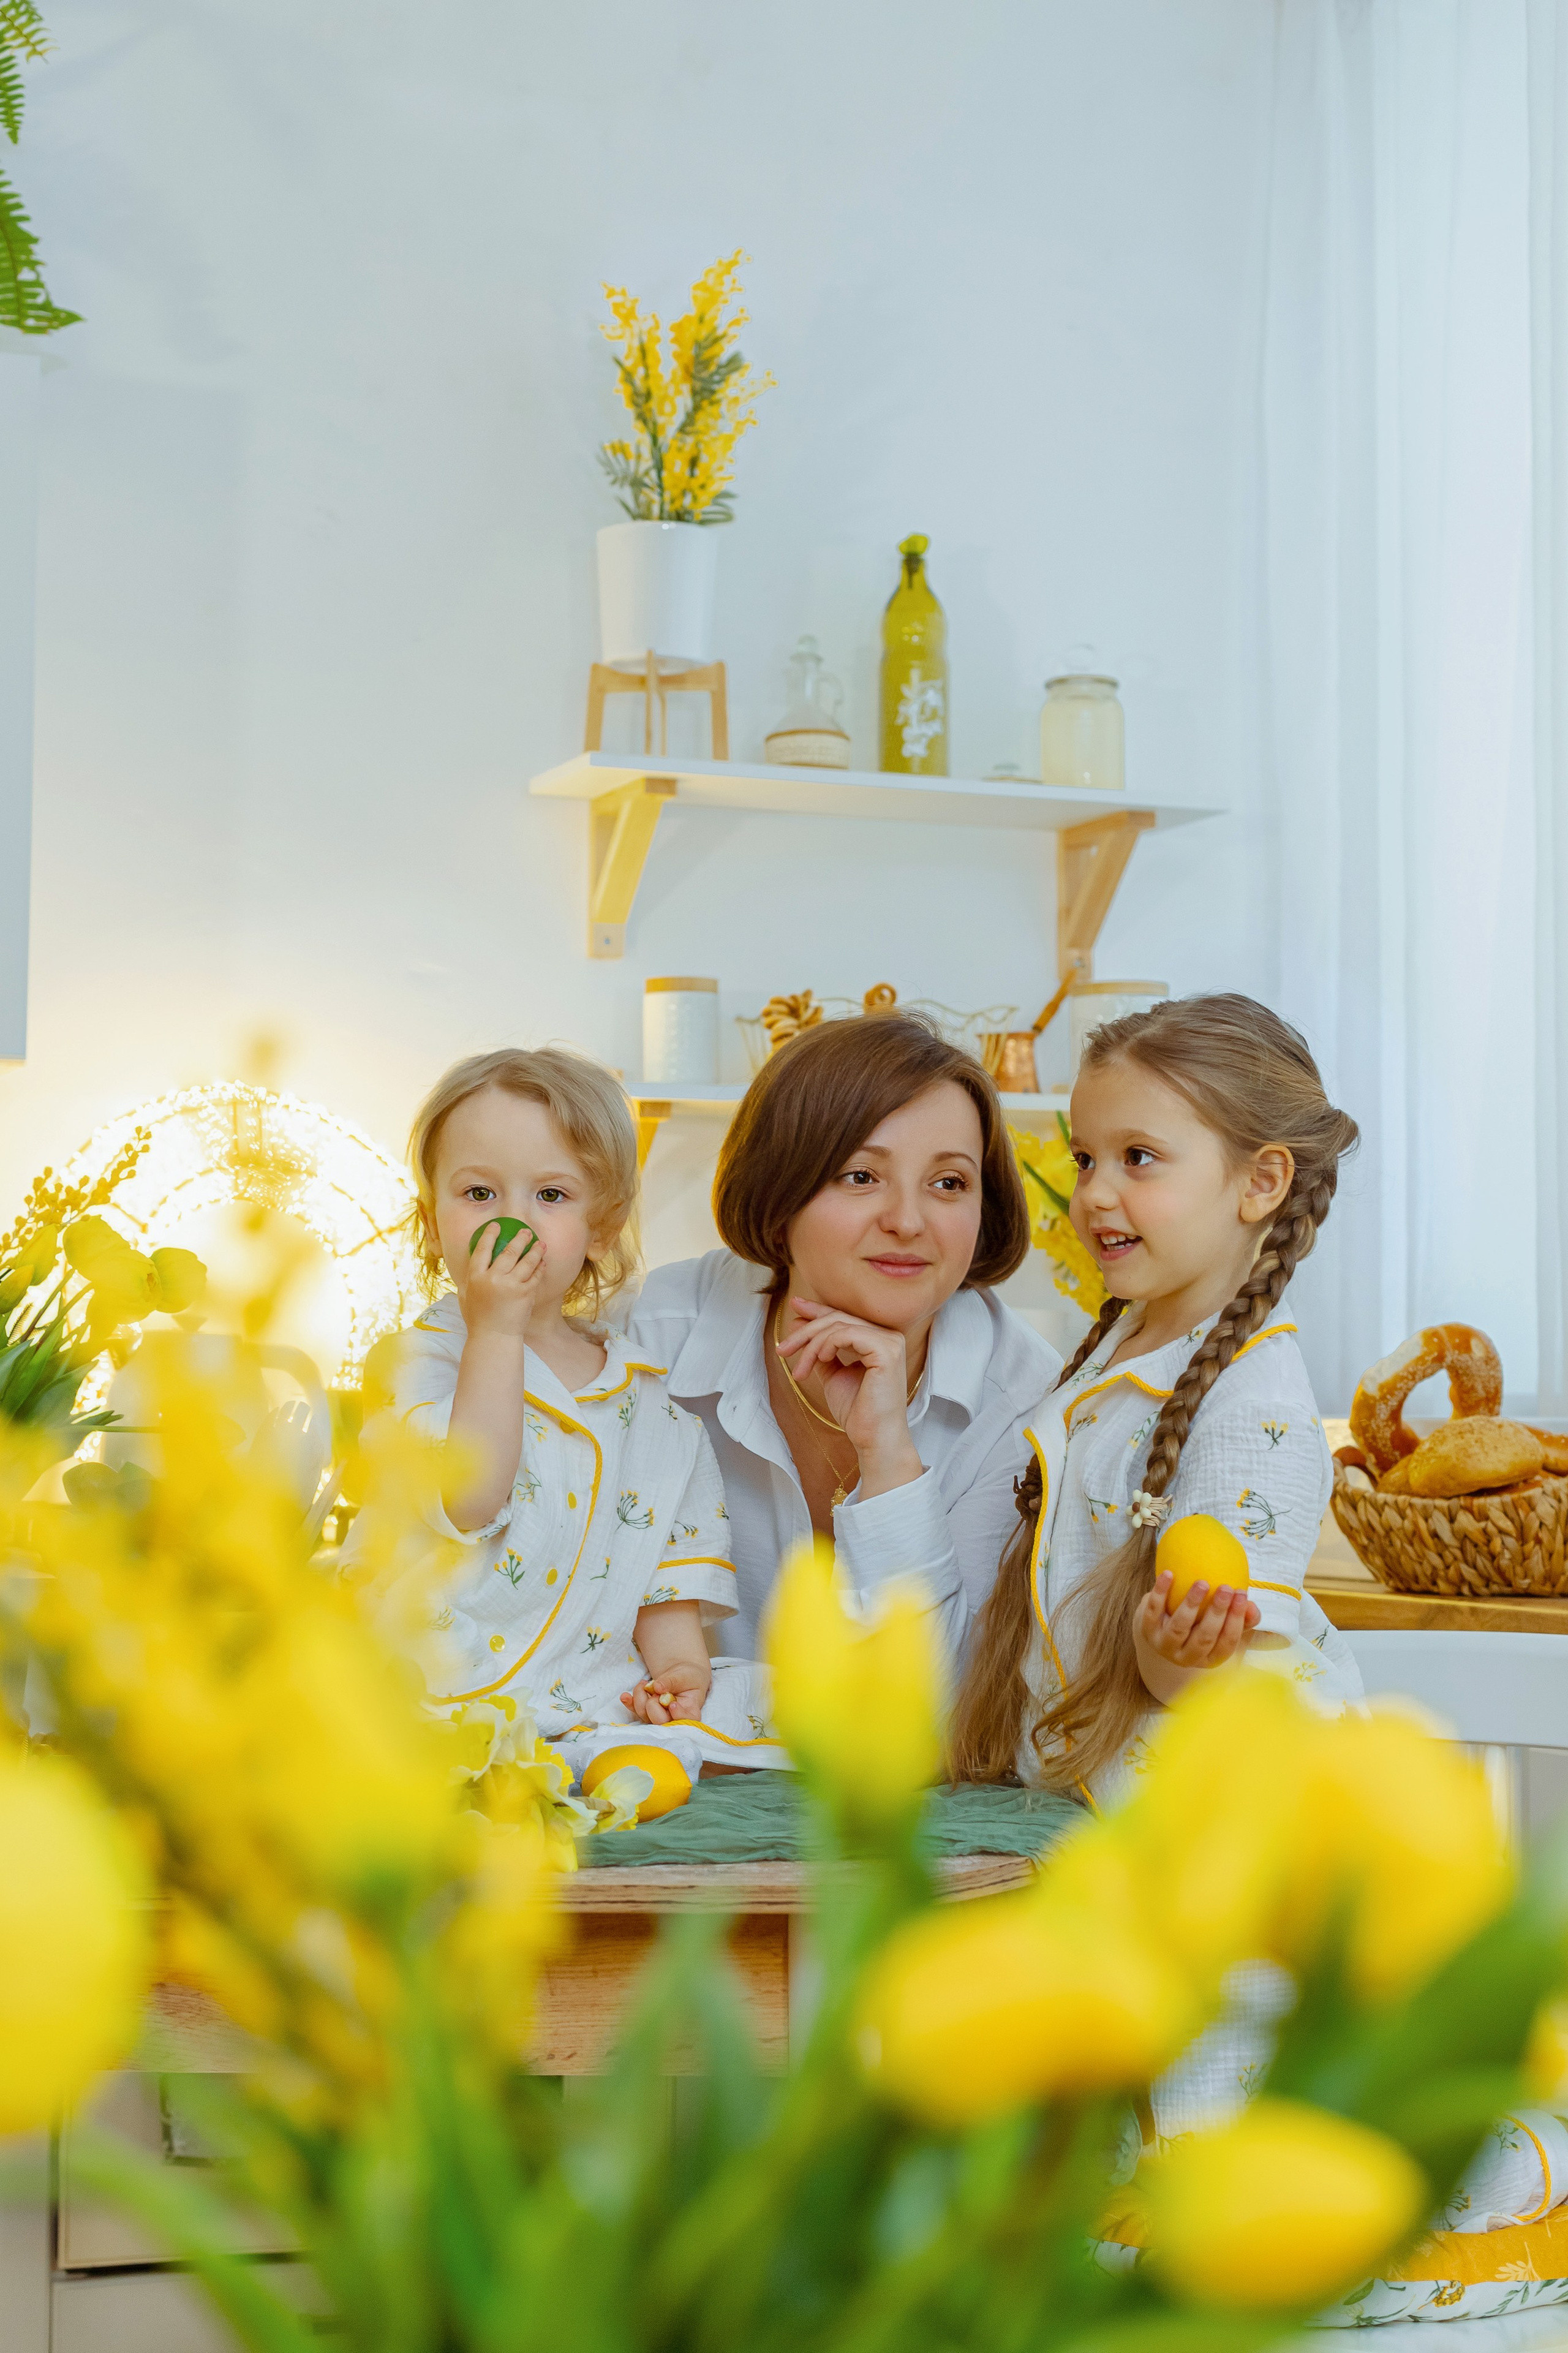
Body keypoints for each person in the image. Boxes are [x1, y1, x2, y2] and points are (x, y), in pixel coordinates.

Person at [949, 992, 1365, 1803]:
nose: (1096, 1193)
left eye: (1138, 1157)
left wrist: (1177, 1648)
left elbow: (1210, 1687)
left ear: (1261, 1181)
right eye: (1085, 1159)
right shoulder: (1124, 1344)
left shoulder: (1256, 1412)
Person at [344, 1047, 786, 1779]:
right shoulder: (415, 1361)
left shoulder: (651, 1403)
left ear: (601, 1229)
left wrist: (678, 1668)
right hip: (429, 1677)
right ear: (431, 1224)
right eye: (479, 1193)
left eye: (550, 1195)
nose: (512, 1220)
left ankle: (617, 1761)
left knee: (750, 1699)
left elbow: (666, 1565)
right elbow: (467, 1495)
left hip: (585, 1690)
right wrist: (495, 1331)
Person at [625, 1013, 1061, 1665]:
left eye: (949, 1183)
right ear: (779, 1190)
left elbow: (945, 1697)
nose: (907, 1222)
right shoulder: (654, 1336)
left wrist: (888, 1456)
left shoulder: (1025, 1402)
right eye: (861, 1176)